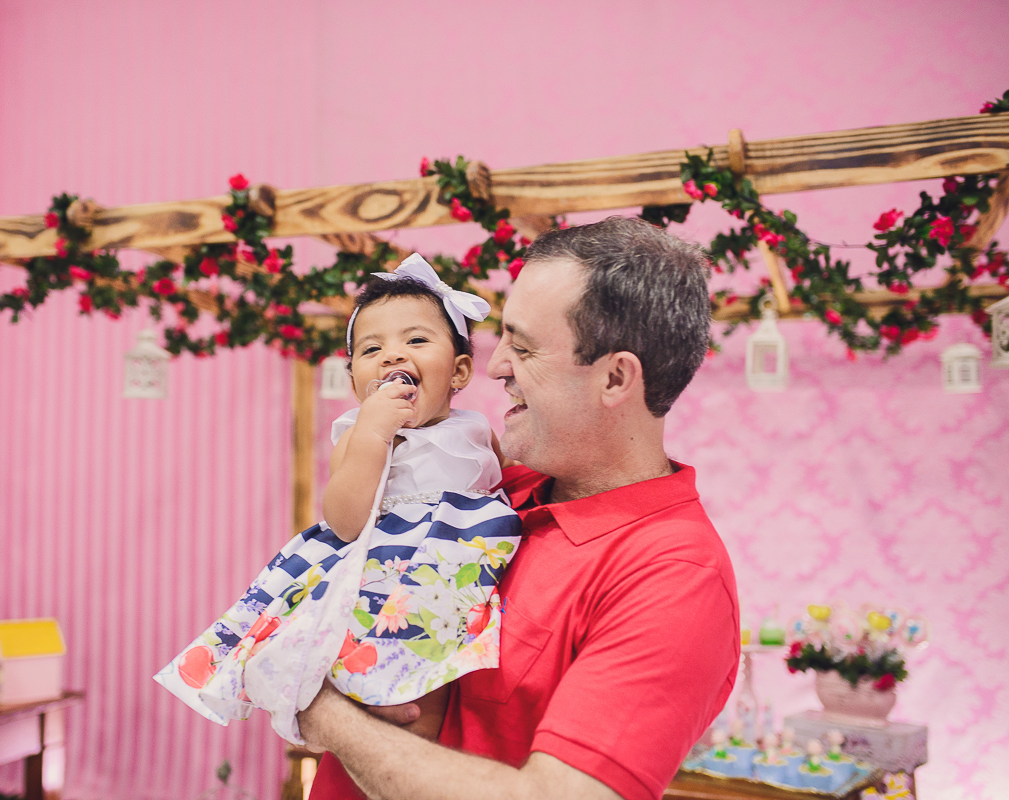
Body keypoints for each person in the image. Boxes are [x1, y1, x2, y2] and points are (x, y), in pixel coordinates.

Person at [301, 217, 741, 800]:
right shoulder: (486, 486)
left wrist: (324, 712)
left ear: (615, 377)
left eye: (524, 346)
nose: (495, 366)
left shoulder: (674, 576)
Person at [154, 253, 522, 744]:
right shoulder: (358, 432)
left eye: (415, 340)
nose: (392, 356)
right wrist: (374, 433)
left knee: (441, 685)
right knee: (394, 696)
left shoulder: (476, 429)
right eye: (371, 349)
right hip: (383, 578)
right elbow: (345, 520)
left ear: (458, 373)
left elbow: (509, 487)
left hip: (452, 574)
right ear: (354, 381)